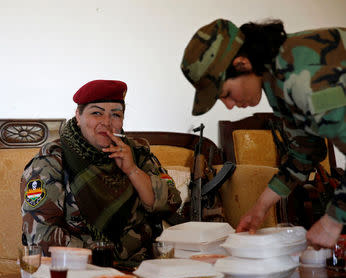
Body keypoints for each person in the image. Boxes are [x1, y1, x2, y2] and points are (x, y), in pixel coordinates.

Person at [180, 19, 345, 249]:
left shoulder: (301, 76)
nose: (229, 105)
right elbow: (305, 151)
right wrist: (261, 207)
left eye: (226, 93)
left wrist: (333, 220)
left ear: (242, 63)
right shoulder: (276, 79)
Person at [20, 79, 182, 262]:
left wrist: (133, 171)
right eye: (96, 113)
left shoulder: (136, 153)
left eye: (115, 115)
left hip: (142, 266)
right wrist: (101, 260)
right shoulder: (51, 161)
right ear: (78, 116)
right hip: (78, 268)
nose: (106, 122)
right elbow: (41, 234)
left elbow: (172, 203)